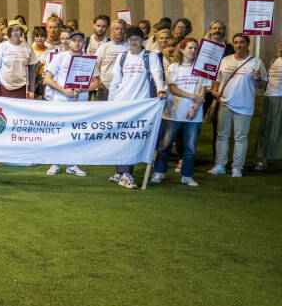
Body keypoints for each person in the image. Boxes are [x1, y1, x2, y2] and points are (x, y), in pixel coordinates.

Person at [108, 26, 167, 189]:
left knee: (132, 138)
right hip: (121, 103)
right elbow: (115, 81)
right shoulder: (122, 56)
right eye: (130, 39)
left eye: (136, 39)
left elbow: (157, 73)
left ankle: (126, 174)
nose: (133, 42)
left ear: (142, 40)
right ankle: (120, 173)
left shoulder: (150, 56)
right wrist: (110, 102)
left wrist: (161, 90)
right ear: (126, 41)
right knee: (121, 138)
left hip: (140, 106)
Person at [208, 32, 268, 177]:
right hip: (225, 103)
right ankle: (220, 165)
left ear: (247, 44)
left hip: (244, 105)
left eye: (242, 42)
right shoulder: (226, 60)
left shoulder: (256, 62)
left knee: (240, 137)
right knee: (222, 135)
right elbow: (217, 78)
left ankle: (237, 167)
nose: (238, 45)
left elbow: (263, 85)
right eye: (235, 42)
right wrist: (215, 92)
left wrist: (258, 78)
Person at [42, 30, 95, 177]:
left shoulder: (89, 59)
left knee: (76, 133)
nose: (77, 43)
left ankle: (73, 164)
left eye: (80, 40)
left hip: (80, 102)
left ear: (84, 42)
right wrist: (64, 90)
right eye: (74, 40)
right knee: (59, 132)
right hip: (61, 101)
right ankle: (55, 163)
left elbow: (97, 82)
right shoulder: (60, 57)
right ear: (69, 42)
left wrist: (81, 89)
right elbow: (47, 78)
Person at [152, 37, 205, 186]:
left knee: (190, 147)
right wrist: (191, 96)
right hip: (173, 112)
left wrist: (194, 107)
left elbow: (202, 91)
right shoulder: (174, 67)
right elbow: (173, 89)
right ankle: (159, 172)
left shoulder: (201, 70)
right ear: (182, 50)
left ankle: (186, 175)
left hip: (194, 115)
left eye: (195, 48)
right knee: (165, 145)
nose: (193, 51)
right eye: (189, 47)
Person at [0, 22, 37, 99]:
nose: (15, 33)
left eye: (18, 30)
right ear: (9, 33)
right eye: (12, 30)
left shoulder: (28, 47)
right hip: (4, 87)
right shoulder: (2, 47)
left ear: (21, 32)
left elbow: (32, 70)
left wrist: (32, 90)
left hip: (22, 87)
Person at [255, 48, 282, 171]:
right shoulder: (274, 60)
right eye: (280, 44)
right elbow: (268, 82)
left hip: (280, 98)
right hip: (269, 97)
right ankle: (263, 159)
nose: (280, 47)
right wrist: (258, 79)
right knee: (265, 129)